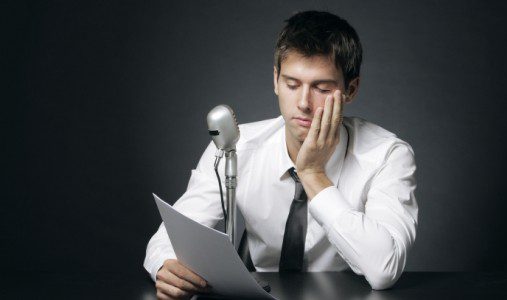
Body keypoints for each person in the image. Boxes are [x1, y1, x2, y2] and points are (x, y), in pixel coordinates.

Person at [144, 10, 418, 299]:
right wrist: (165, 264)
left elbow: (384, 269)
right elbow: (172, 235)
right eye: (291, 84)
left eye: (322, 88)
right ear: (275, 80)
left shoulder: (388, 156)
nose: (303, 103)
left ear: (350, 89)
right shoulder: (236, 146)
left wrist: (313, 175)